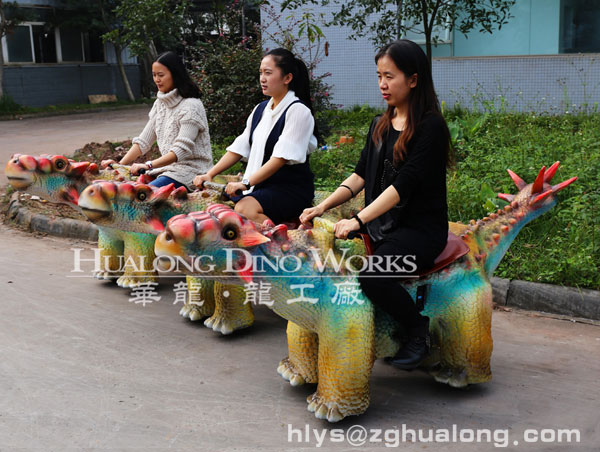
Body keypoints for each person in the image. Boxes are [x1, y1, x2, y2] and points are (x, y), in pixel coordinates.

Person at [300, 40, 452, 370]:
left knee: (373, 276)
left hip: (420, 230)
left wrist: (357, 219)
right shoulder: (379, 124)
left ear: (413, 79)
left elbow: (403, 185)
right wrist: (321, 207)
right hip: (385, 225)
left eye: (390, 76)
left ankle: (418, 331)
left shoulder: (430, 127)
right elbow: (359, 177)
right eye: (379, 76)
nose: (382, 84)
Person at [193, 48, 317, 225]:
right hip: (261, 186)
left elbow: (280, 158)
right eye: (260, 73)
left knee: (245, 209)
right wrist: (209, 174)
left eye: (268, 73)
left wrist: (245, 183)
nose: (262, 79)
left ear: (287, 78)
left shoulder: (298, 111)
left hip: (289, 188)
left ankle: (281, 246)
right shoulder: (260, 109)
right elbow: (240, 147)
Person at [101, 51, 212, 191]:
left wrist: (148, 165)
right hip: (168, 171)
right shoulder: (160, 104)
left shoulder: (191, 106)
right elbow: (143, 142)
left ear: (175, 75)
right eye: (154, 75)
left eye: (161, 75)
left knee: (139, 196)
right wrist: (121, 165)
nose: (157, 80)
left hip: (191, 173)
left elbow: (180, 150)